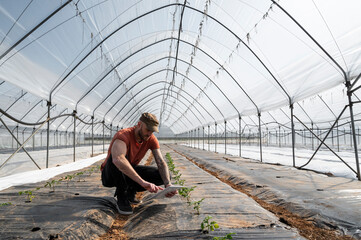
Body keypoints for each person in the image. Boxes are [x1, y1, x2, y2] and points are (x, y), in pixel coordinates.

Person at [101, 112, 177, 215]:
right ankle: (122, 195)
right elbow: (118, 159)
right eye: (148, 130)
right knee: (120, 158)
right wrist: (142, 182)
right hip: (110, 175)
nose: (149, 133)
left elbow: (160, 161)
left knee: (163, 175)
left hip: (127, 174)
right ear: (139, 124)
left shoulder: (151, 139)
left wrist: (168, 184)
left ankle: (131, 190)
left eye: (152, 131)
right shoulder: (123, 135)